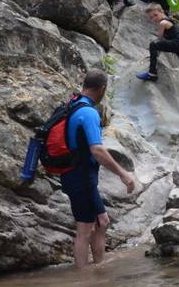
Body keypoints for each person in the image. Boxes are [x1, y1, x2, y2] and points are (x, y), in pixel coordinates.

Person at [57, 70, 137, 269]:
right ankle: (83, 278)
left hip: (76, 175)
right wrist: (123, 174)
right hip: (80, 177)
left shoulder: (72, 105)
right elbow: (97, 150)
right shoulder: (89, 112)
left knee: (102, 221)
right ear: (102, 89)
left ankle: (98, 268)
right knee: (85, 229)